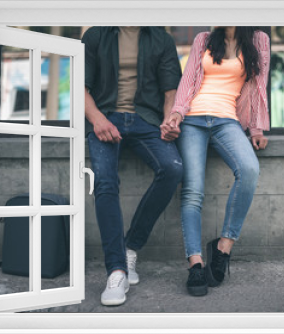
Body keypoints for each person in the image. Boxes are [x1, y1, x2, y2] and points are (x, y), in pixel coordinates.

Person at [163, 26, 270, 296]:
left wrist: (256, 128)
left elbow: (259, 84)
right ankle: (195, 263)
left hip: (227, 121)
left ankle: (223, 248)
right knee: (192, 191)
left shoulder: (258, 40)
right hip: (193, 121)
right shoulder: (203, 39)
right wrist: (177, 112)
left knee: (248, 169)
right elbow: (188, 81)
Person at [82, 26, 183, 306]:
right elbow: (81, 88)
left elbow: (170, 92)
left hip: (146, 119)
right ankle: (116, 271)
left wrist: (168, 121)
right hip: (105, 115)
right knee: (105, 181)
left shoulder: (161, 38)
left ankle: (130, 248)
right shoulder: (95, 35)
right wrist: (97, 120)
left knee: (173, 168)